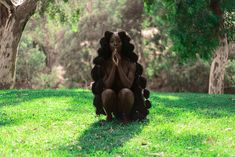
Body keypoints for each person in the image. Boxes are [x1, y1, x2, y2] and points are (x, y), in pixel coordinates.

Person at [91, 31, 151, 122]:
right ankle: (109, 116)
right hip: (111, 102)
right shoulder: (104, 63)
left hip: (126, 102)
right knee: (107, 92)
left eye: (118, 41)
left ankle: (125, 116)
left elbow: (127, 85)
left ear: (123, 44)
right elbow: (107, 85)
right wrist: (114, 66)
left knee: (125, 91)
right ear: (108, 44)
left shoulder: (130, 63)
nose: (115, 44)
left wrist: (119, 65)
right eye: (112, 42)